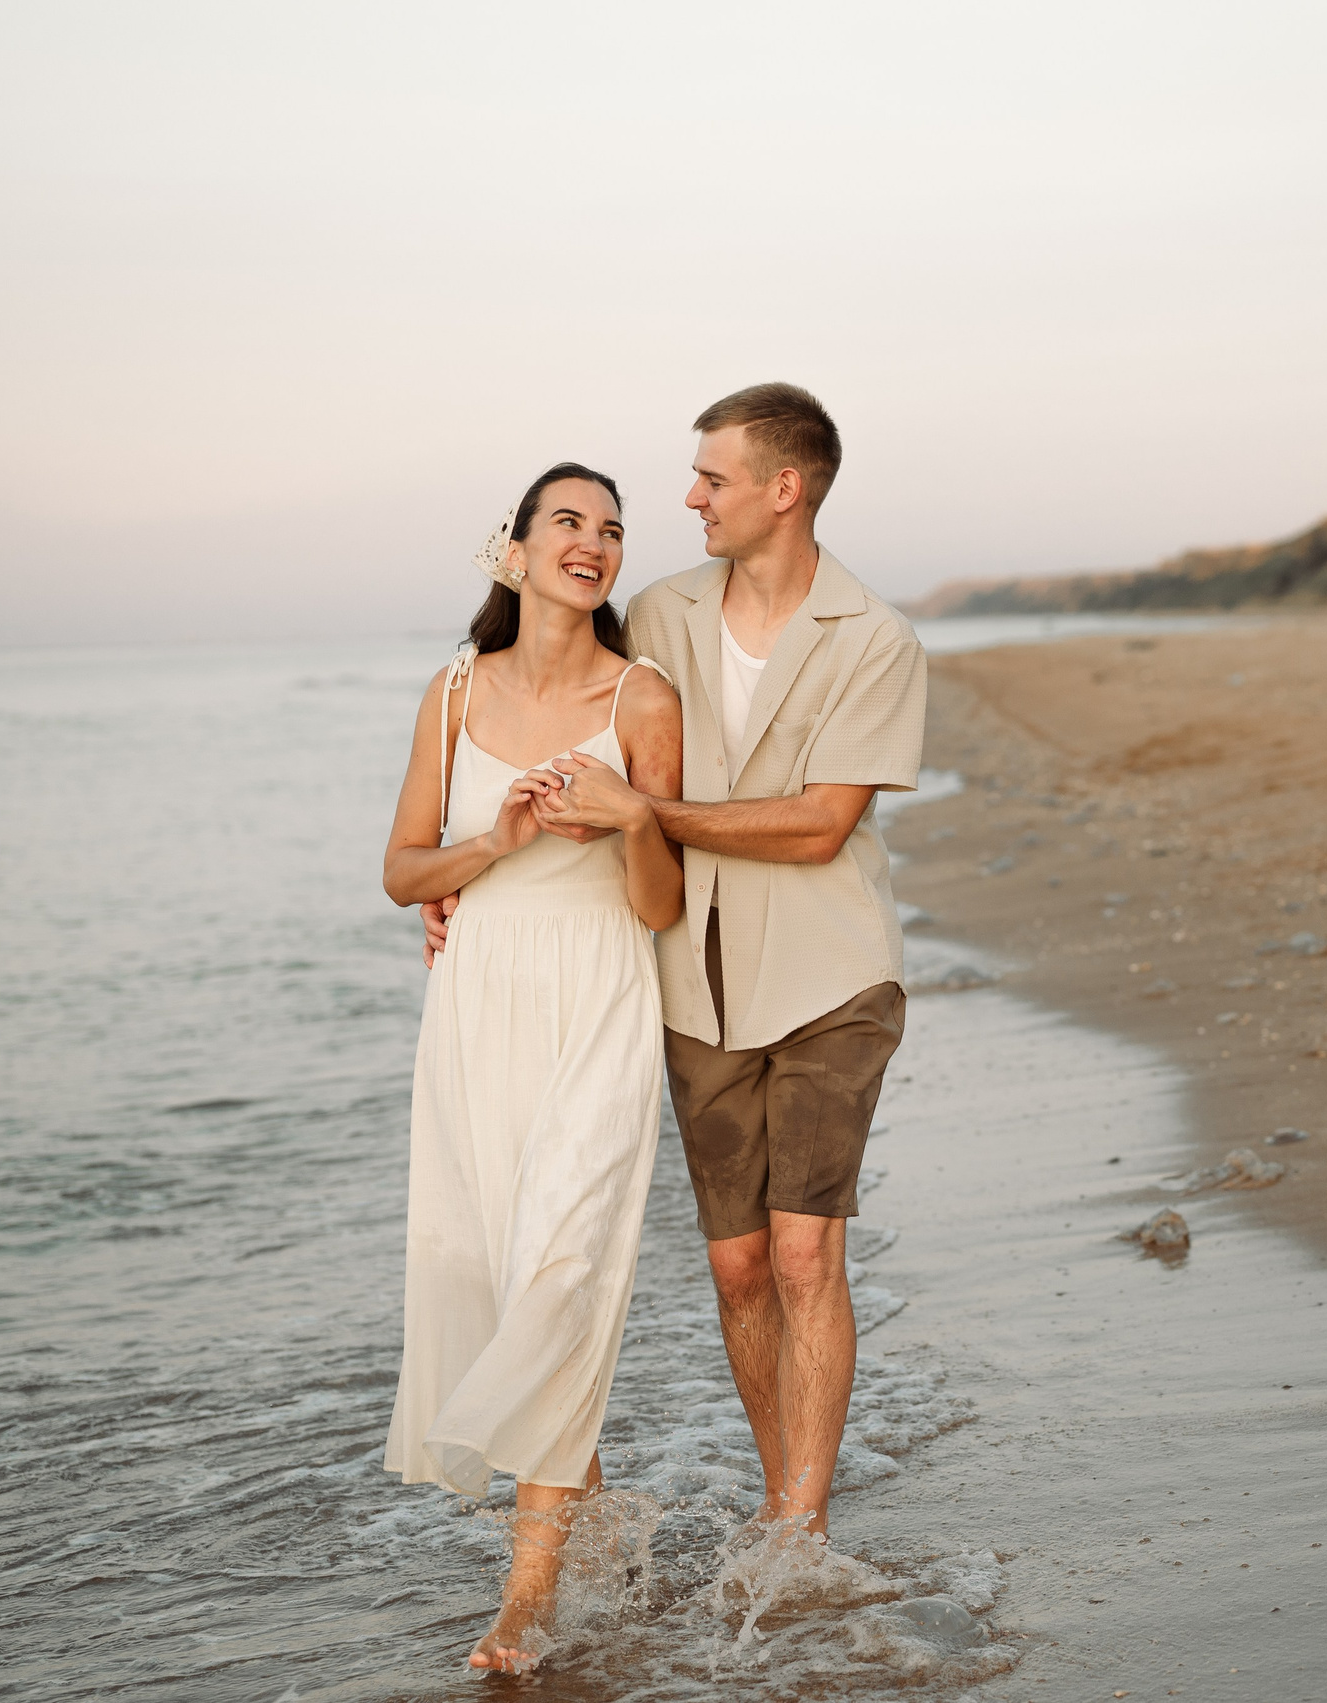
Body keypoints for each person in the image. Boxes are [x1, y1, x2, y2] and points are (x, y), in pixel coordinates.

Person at [504, 383, 929, 1550]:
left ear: (782, 489)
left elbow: (817, 826)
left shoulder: (874, 637)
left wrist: (647, 811)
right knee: (739, 1269)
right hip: (691, 977)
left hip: (834, 973)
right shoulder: (657, 611)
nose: (688, 496)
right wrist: (466, 880)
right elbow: (549, 707)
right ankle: (777, 1482)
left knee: (803, 1250)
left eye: (712, 477)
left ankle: (801, 1519)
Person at [378, 462, 683, 1675]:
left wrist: (631, 818)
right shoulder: (453, 692)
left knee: (561, 1266)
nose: (595, 543)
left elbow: (660, 906)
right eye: (569, 521)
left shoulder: (642, 696)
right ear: (515, 550)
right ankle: (594, 1526)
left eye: (613, 529)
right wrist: (490, 842)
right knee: (495, 1270)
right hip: (477, 1005)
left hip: (601, 997)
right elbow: (404, 872)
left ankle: (526, 1596)